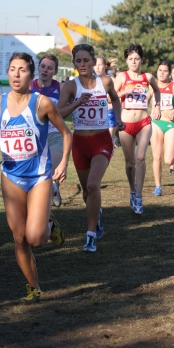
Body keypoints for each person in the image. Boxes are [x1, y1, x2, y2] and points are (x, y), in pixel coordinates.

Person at [0, 52, 72, 303]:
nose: (16, 74)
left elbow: (66, 133)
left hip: (40, 176)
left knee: (36, 238)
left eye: (22, 70)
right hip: (10, 176)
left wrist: (63, 162)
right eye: (12, 69)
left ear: (30, 75)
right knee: (18, 237)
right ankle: (34, 287)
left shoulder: (42, 103)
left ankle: (49, 226)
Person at [57, 44, 125, 252]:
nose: (82, 64)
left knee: (94, 185)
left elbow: (115, 98)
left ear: (94, 61)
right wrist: (77, 104)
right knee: (87, 192)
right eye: (78, 60)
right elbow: (58, 112)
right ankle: (97, 214)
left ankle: (90, 234)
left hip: (101, 141)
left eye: (86, 60)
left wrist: (119, 118)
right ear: (74, 63)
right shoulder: (70, 86)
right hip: (80, 143)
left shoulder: (104, 82)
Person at [114, 43, 161, 214]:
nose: (134, 62)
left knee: (140, 157)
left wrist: (156, 106)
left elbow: (156, 91)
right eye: (131, 59)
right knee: (130, 163)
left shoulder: (148, 77)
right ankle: (132, 190)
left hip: (143, 122)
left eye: (137, 59)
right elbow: (110, 97)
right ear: (126, 60)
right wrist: (125, 92)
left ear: (141, 60)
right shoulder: (121, 77)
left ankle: (139, 196)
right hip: (126, 124)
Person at [149, 61, 174, 195]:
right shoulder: (152, 86)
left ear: (169, 73)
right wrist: (152, 109)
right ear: (157, 71)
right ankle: (158, 186)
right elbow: (144, 102)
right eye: (160, 70)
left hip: (171, 124)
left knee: (169, 160)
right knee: (157, 157)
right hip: (156, 123)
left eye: (165, 71)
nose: (162, 73)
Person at [30, 54, 63, 207]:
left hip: (55, 135)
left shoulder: (60, 87)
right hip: (34, 138)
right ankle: (53, 188)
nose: (45, 70)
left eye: (50, 68)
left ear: (55, 72)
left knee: (48, 171)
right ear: (38, 67)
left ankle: (53, 187)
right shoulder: (29, 87)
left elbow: (68, 107)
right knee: (37, 176)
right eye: (43, 66)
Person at [94, 55, 118, 145]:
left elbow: (115, 99)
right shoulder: (90, 80)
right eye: (95, 64)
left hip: (109, 114)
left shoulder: (111, 80)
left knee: (107, 144)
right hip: (95, 116)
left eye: (100, 65)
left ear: (105, 66)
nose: (97, 67)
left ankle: (113, 140)